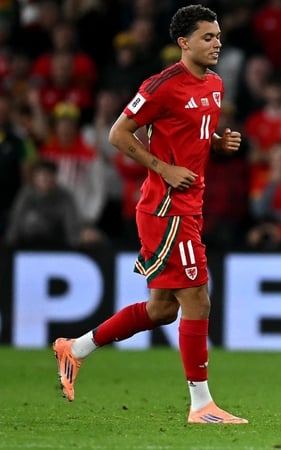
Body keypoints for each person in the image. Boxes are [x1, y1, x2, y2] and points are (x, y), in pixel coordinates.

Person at [51, 5, 248, 425]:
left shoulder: (214, 84)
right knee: (197, 298)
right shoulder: (162, 85)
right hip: (166, 208)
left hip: (188, 206)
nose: (216, 43)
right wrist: (162, 168)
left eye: (217, 36)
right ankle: (202, 406)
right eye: (207, 37)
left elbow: (189, 131)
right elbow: (117, 133)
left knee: (162, 310)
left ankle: (75, 349)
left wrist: (216, 142)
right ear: (184, 42)